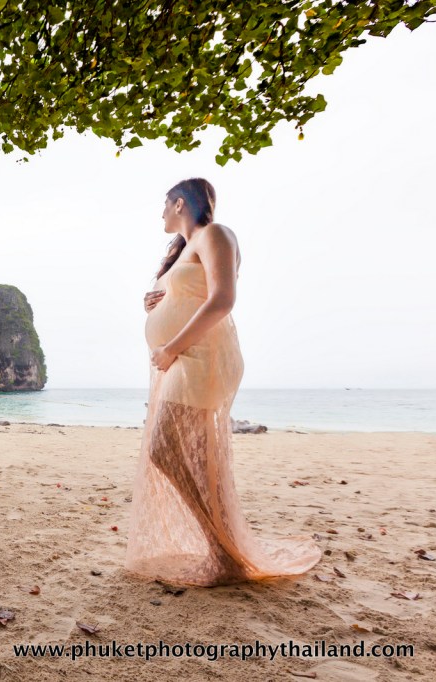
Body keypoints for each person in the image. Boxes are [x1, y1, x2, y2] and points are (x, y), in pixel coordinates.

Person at [124, 178, 322, 587]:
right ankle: (220, 545)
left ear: (180, 203)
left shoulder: (215, 234)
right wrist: (154, 299)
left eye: (164, 204)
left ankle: (221, 551)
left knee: (172, 451)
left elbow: (223, 298)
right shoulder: (182, 251)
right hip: (184, 358)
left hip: (201, 357)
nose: (160, 212)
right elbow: (189, 296)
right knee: (179, 455)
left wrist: (172, 347)